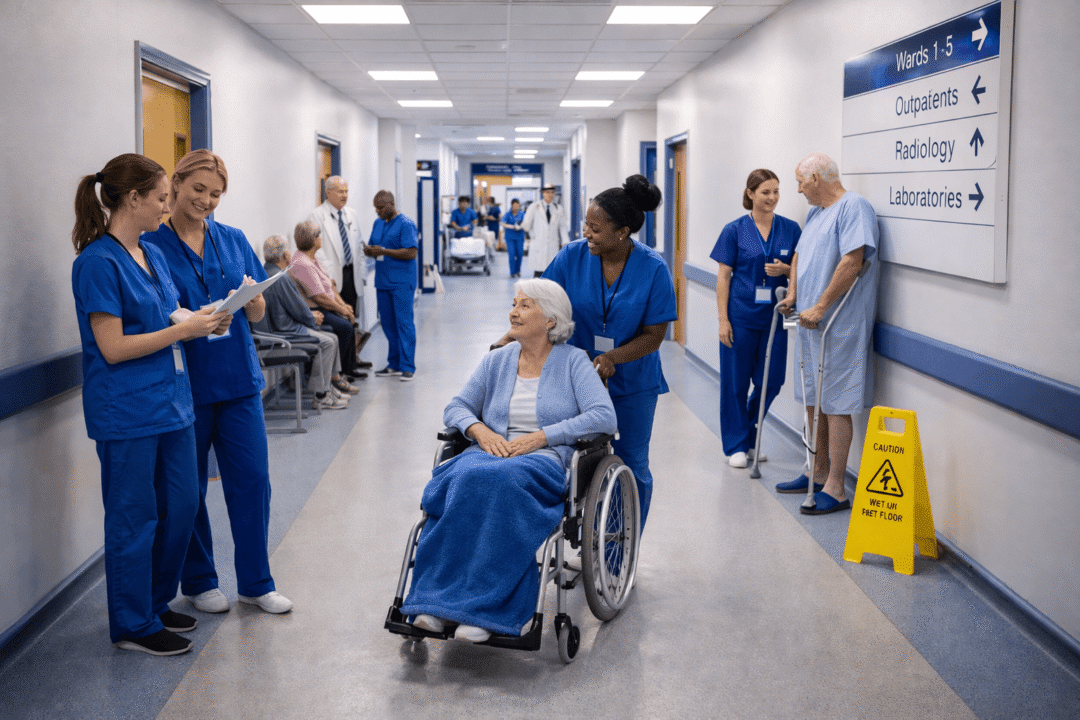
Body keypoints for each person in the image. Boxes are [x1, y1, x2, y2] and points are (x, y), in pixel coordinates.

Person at [72, 153, 229, 654]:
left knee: (182, 504)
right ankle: (133, 624)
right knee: (134, 517)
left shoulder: (152, 254)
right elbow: (114, 347)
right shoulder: (97, 262)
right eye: (161, 198)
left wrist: (206, 318)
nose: (168, 207)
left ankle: (157, 601)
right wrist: (182, 331)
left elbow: (169, 314)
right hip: (127, 411)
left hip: (172, 403)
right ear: (132, 199)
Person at [401, 279, 617, 642]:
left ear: (550, 320)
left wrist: (542, 437)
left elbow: (603, 416)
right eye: (514, 304)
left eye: (525, 306)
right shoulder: (497, 360)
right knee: (462, 481)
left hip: (543, 459)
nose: (513, 312)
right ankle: (434, 604)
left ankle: (487, 612)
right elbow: (456, 406)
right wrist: (479, 431)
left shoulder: (573, 362)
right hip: (491, 451)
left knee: (499, 484)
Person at [143, 149, 294, 615]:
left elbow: (259, 309)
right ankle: (200, 579)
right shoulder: (152, 246)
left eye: (215, 194)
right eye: (197, 190)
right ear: (177, 183)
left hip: (239, 381)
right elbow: (155, 311)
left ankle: (255, 581)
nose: (206, 201)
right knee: (188, 490)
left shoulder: (232, 239)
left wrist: (250, 303)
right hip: (185, 385)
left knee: (252, 481)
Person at [527, 175, 675, 531]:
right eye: (585, 225)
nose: (587, 233)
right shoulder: (571, 256)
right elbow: (540, 300)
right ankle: (578, 526)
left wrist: (612, 359)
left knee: (633, 464)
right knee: (574, 458)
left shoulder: (653, 268)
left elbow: (654, 335)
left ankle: (622, 545)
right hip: (578, 378)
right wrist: (510, 335)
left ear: (622, 232)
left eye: (595, 228)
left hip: (634, 382)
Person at [775, 152, 880, 515]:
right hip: (808, 323)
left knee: (836, 403)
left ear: (817, 178)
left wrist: (820, 305)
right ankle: (815, 473)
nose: (799, 189)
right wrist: (792, 294)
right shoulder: (815, 213)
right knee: (810, 397)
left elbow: (853, 259)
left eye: (801, 182)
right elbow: (800, 258)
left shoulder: (854, 208)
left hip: (839, 323)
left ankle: (835, 486)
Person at [712, 169, 801, 468]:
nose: (773, 198)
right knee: (735, 383)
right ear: (750, 193)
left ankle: (748, 434)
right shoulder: (734, 230)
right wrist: (723, 320)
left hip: (775, 319)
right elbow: (723, 277)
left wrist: (787, 272)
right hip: (740, 316)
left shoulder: (791, 229)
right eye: (766, 192)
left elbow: (801, 271)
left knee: (771, 380)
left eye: (776, 192)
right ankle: (736, 445)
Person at [261, 235, 357, 410]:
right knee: (328, 341)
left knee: (332, 338)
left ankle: (328, 388)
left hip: (282, 327)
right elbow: (297, 307)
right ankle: (321, 394)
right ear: (284, 255)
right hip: (286, 331)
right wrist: (312, 317)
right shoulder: (281, 277)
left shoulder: (266, 272)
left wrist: (311, 316)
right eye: (288, 250)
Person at [288, 220, 365, 382]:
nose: (321, 238)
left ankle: (348, 369)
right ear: (313, 239)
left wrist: (343, 306)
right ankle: (335, 374)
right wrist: (341, 309)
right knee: (345, 327)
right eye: (319, 235)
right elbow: (318, 296)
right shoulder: (302, 263)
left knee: (348, 322)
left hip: (326, 307)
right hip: (315, 310)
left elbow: (330, 285)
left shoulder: (312, 259)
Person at [308, 176, 372, 368]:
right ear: (328, 192)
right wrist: (328, 275)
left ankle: (352, 360)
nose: (344, 195)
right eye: (340, 191)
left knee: (352, 315)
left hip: (351, 274)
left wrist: (361, 273)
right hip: (332, 276)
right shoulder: (317, 215)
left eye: (346, 191)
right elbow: (316, 250)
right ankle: (341, 367)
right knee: (339, 319)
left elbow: (359, 246)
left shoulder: (351, 214)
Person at [364, 190, 418, 382]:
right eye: (375, 208)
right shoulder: (378, 224)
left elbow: (411, 252)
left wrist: (385, 251)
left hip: (402, 283)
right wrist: (369, 251)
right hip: (383, 282)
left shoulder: (406, 224)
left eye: (380, 208)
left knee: (404, 323)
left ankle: (407, 366)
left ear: (391, 204)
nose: (377, 211)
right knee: (387, 324)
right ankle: (394, 363)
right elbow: (374, 247)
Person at [521, 183, 569, 277]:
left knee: (552, 273)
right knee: (538, 273)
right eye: (547, 192)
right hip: (538, 243)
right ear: (543, 193)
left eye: (552, 192)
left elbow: (563, 226)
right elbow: (526, 225)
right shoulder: (534, 207)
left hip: (552, 244)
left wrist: (565, 241)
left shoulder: (558, 208)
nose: (550, 195)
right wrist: (532, 234)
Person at [501, 198, 526, 277]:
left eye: (517, 205)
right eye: (514, 205)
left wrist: (520, 226)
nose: (516, 207)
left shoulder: (522, 214)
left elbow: (525, 222)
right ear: (512, 205)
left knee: (519, 254)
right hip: (510, 237)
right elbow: (503, 223)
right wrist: (512, 226)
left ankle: (518, 270)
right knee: (511, 255)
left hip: (519, 237)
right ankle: (512, 272)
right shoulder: (507, 214)